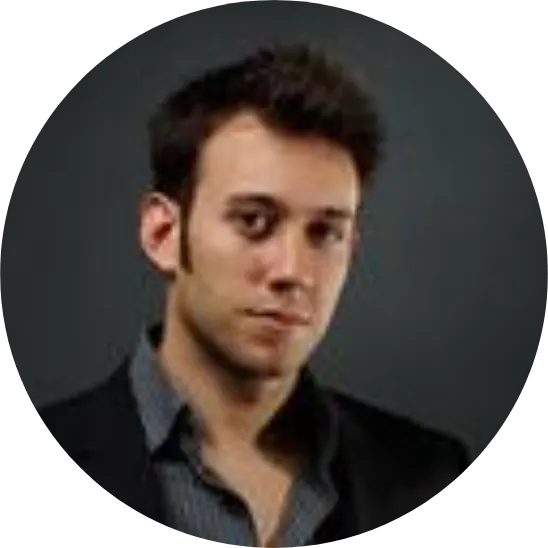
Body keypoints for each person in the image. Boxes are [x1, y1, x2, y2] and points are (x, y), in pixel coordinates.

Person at [35, 43, 468, 545]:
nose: (293, 271)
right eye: (254, 222)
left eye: (325, 233)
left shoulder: (430, 476)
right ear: (162, 234)